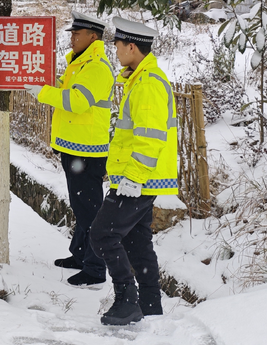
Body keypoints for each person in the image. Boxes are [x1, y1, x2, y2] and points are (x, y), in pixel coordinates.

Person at [88, 17, 178, 325]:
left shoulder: (148, 83)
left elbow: (150, 137)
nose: (114, 48)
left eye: (117, 44)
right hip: (136, 178)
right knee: (136, 242)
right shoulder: (139, 79)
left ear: (131, 47)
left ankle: (127, 298)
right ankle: (151, 304)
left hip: (137, 179)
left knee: (102, 235)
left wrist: (133, 178)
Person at [23, 11, 114, 287]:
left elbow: (76, 102)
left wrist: (41, 92)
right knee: (80, 205)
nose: (72, 38)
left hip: (88, 150)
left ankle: (96, 269)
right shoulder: (79, 64)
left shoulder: (96, 67)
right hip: (75, 148)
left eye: (77, 34)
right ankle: (80, 254)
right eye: (72, 34)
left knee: (90, 210)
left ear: (93, 37)